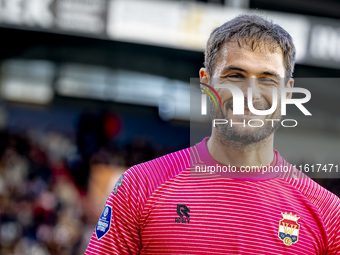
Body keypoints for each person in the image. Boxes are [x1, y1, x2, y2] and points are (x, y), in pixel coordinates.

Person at [85, 14, 340, 254]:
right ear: (206, 83)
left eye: (268, 79)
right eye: (235, 75)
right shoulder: (140, 186)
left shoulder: (327, 213)